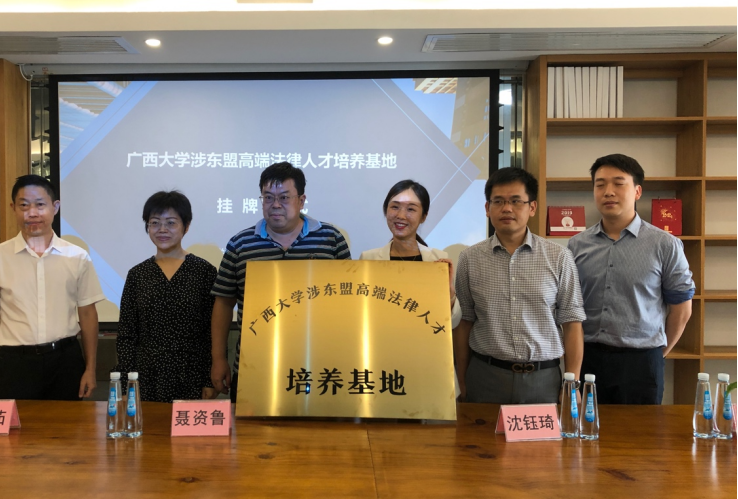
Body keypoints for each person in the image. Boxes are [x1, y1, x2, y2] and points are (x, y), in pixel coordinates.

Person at [210, 162, 351, 402]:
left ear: (301, 200)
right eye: (268, 197)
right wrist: (219, 359)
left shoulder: (331, 239)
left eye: (284, 197)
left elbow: (348, 301)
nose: (275, 205)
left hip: (320, 364)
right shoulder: (240, 244)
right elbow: (223, 303)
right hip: (255, 364)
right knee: (250, 426)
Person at [568, 154, 694, 404]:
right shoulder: (576, 245)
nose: (608, 192)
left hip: (641, 363)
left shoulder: (665, 244)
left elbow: (682, 309)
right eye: (600, 184)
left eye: (618, 183)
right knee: (584, 427)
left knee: (641, 430)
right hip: (588, 358)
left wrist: (658, 353)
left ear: (637, 191)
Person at [454, 167, 585, 404]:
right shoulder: (469, 259)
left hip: (544, 379)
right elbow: (465, 323)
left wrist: (572, 383)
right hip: (485, 376)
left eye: (516, 201)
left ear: (532, 207)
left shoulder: (559, 257)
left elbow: (572, 322)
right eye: (498, 201)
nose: (507, 208)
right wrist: (462, 380)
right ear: (487, 208)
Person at [0, 174, 105, 402]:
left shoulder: (77, 257)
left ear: (55, 207)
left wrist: (90, 369)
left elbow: (88, 314)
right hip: (15, 364)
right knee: (16, 425)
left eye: (40, 205)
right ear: (13, 208)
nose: (32, 213)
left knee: (69, 424)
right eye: (24, 205)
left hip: (66, 361)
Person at [114, 191, 217, 402]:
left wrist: (209, 379)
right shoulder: (137, 274)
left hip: (191, 374)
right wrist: (126, 384)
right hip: (146, 376)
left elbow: (211, 331)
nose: (162, 229)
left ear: (186, 226)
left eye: (171, 223)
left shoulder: (204, 271)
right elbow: (127, 334)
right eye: (155, 223)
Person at [359, 179, 461, 329]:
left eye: (411, 209)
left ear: (423, 216)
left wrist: (450, 295)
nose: (401, 215)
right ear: (386, 210)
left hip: (424, 341)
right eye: (395, 207)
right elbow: (362, 314)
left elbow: (451, 324)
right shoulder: (368, 259)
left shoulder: (438, 260)